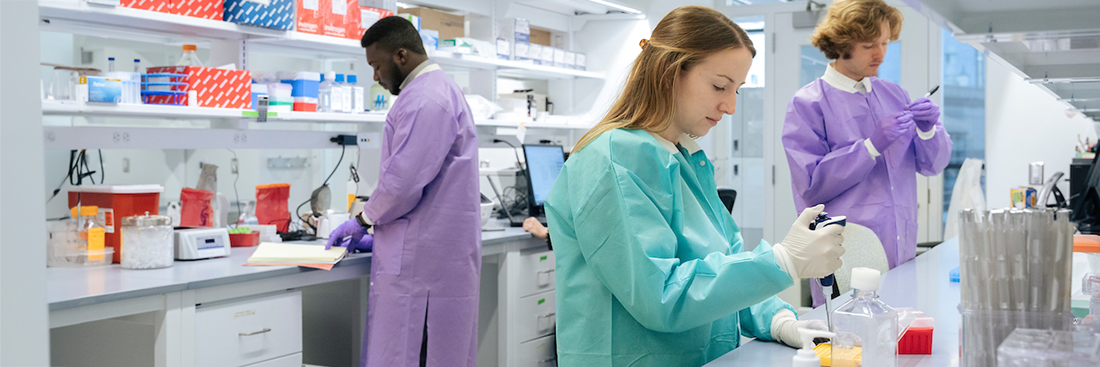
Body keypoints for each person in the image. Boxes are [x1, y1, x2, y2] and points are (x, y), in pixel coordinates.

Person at [544, 6, 845, 366]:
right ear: (668, 72)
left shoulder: (684, 157)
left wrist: (779, 320)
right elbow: (660, 295)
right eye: (719, 86)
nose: (731, 106)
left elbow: (724, 263)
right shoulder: (612, 160)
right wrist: (782, 260)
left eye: (737, 89)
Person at [326, 16, 481, 367]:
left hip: (423, 267)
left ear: (400, 56)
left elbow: (403, 182)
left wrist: (363, 220)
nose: (376, 77)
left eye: (376, 66)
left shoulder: (426, 99)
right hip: (428, 254)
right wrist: (377, 233)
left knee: (414, 353)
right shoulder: (436, 91)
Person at [782, 0, 952, 307]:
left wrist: (928, 130)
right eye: (869, 45)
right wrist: (869, 147)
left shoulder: (893, 94)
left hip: (901, 247)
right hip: (846, 253)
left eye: (885, 42)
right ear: (841, 44)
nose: (881, 54)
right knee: (849, 339)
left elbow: (932, 164)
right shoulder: (808, 103)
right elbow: (810, 185)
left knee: (897, 330)